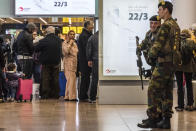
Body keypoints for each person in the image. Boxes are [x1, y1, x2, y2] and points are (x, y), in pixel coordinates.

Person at [137, 1, 180, 129]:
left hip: (163, 63)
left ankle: (153, 118)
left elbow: (157, 45)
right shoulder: (175, 25)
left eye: (160, 9)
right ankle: (166, 120)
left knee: (152, 90)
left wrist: (150, 56)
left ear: (166, 10)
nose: (158, 12)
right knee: (167, 92)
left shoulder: (166, 26)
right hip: (171, 63)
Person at [137, 15, 161, 122]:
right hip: (154, 66)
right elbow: (144, 43)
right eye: (151, 23)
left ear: (159, 23)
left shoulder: (161, 34)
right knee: (155, 91)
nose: (153, 25)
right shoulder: (149, 33)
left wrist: (147, 52)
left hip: (161, 66)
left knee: (155, 91)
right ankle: (155, 116)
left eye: (155, 23)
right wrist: (139, 48)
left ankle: (156, 116)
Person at [35, 26, 62, 99]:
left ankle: (45, 95)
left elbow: (36, 49)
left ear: (47, 32)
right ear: (53, 32)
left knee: (45, 78)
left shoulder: (44, 40)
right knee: (55, 78)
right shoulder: (59, 40)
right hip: (56, 62)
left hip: (46, 62)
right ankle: (55, 94)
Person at [175, 29, 196, 111]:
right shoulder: (191, 41)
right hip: (188, 65)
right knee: (189, 85)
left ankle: (180, 106)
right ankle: (190, 105)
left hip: (178, 66)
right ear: (188, 34)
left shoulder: (177, 41)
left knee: (179, 86)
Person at [78, 21, 94, 101]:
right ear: (87, 26)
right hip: (85, 60)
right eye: (92, 25)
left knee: (86, 78)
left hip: (84, 60)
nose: (93, 26)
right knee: (85, 78)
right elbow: (87, 49)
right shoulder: (85, 35)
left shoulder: (86, 34)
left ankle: (84, 95)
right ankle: (83, 96)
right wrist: (89, 59)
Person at [62, 30, 78, 101]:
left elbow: (76, 52)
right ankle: (71, 96)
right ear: (68, 35)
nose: (72, 36)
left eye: (73, 34)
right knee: (70, 80)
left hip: (74, 63)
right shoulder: (65, 43)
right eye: (71, 34)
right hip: (68, 63)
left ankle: (68, 96)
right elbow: (65, 52)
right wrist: (70, 44)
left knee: (72, 80)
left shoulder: (75, 43)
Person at [86, 31, 99, 103]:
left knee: (94, 79)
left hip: (95, 60)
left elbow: (89, 50)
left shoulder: (92, 37)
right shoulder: (104, 36)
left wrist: (89, 59)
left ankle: (92, 97)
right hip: (104, 60)